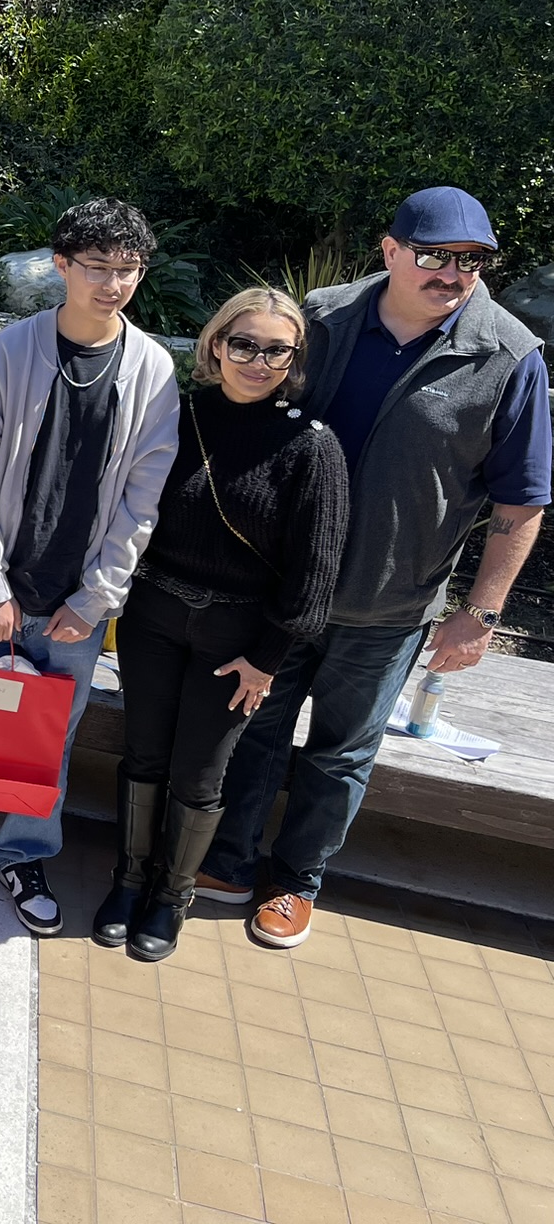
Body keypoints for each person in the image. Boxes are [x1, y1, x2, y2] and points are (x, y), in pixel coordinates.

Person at [201, 188, 551, 950]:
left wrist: (481, 614)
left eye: (471, 261)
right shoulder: (318, 322)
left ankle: (294, 884)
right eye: (433, 255)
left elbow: (521, 506)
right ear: (389, 251)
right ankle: (226, 861)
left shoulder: (509, 356)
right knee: (249, 728)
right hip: (280, 589)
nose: (451, 274)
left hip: (391, 605)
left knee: (341, 753)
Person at [0, 198, 180, 936]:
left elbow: (143, 499)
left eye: (127, 270)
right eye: (97, 268)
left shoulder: (151, 369)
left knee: (49, 732)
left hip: (78, 600)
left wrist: (99, 596)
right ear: (61, 266)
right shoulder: (12, 353)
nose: (112, 284)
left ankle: (23, 851)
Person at [97, 289, 348, 961]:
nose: (257, 361)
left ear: (294, 358)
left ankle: (173, 895)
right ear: (215, 345)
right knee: (145, 753)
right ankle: (128, 879)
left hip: (236, 640)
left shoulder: (310, 446)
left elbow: (314, 574)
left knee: (201, 776)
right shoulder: (174, 419)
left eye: (276, 349)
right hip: (153, 616)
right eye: (243, 344)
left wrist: (268, 658)